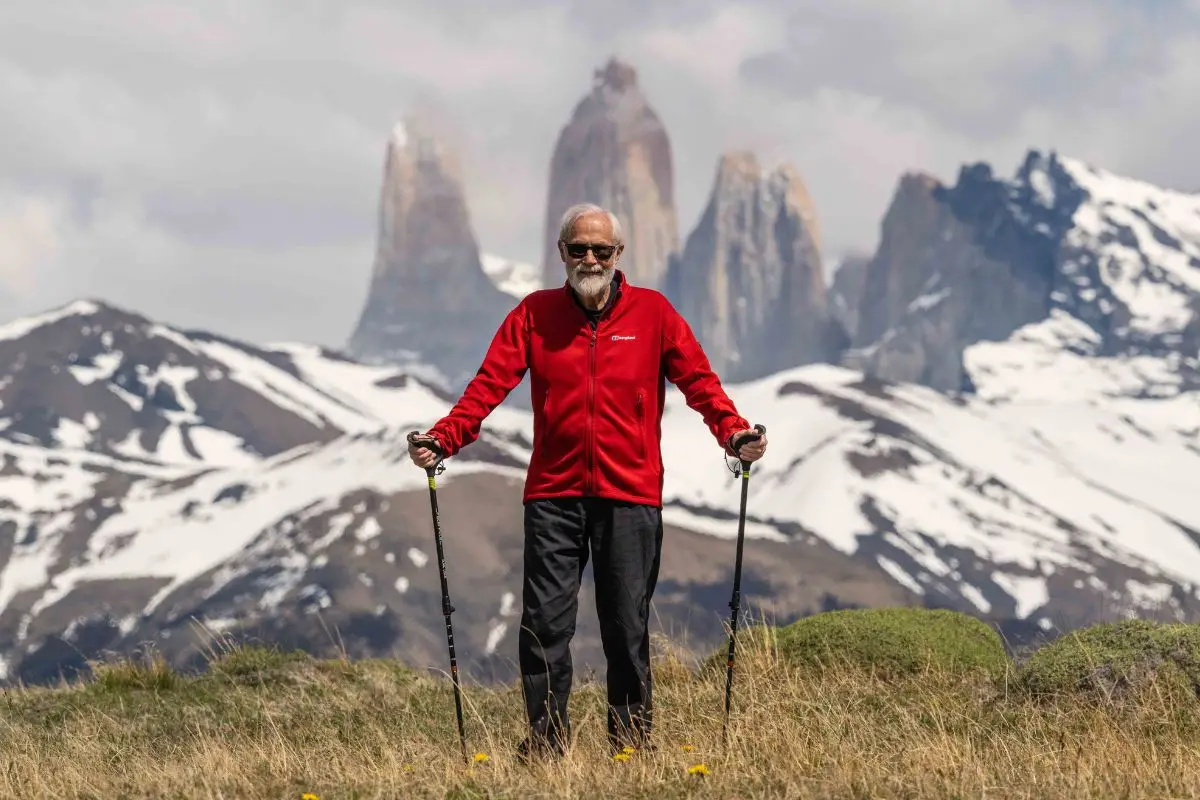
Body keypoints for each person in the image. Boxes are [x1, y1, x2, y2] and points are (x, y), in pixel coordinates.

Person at [407, 202, 767, 759]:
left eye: (601, 249)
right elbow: (487, 387)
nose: (590, 259)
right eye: (579, 249)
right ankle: (546, 747)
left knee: (626, 627)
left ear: (619, 253)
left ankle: (631, 748)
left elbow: (700, 382)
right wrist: (443, 438)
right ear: (562, 253)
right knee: (543, 627)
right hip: (553, 496)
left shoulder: (654, 313)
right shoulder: (533, 315)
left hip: (631, 496)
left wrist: (734, 433)